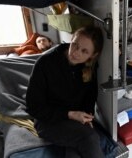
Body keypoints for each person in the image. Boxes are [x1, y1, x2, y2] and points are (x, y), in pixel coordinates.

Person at [25, 26, 104, 158]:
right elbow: (33, 107)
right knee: (89, 138)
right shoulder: (45, 63)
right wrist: (70, 114)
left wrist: (86, 117)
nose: (76, 53)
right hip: (47, 121)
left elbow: (90, 97)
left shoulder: (90, 66)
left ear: (93, 55)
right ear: (71, 39)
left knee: (76, 151)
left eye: (84, 51)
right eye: (75, 45)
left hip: (75, 119)